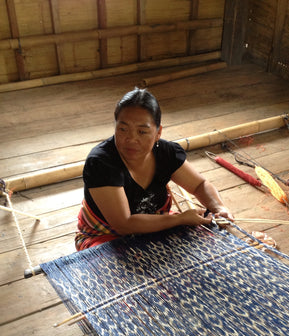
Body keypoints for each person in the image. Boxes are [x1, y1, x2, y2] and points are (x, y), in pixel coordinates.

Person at [75, 87, 233, 250]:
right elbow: (124, 224)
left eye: (142, 132)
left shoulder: (167, 153)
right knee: (123, 272)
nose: (131, 139)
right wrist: (179, 220)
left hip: (157, 224)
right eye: (122, 129)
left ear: (158, 133)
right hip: (106, 235)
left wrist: (218, 207)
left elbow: (200, 185)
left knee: (208, 249)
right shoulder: (101, 163)